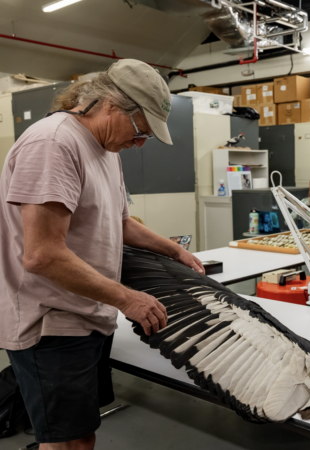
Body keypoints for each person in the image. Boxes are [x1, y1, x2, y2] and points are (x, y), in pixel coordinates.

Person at [0, 59, 204, 450]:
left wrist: (173, 249)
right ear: (110, 105)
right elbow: (42, 255)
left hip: (88, 312)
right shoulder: (53, 144)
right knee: (66, 441)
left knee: (81, 434)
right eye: (140, 131)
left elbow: (121, 221)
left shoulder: (106, 150)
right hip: (51, 322)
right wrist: (127, 298)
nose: (140, 143)